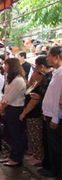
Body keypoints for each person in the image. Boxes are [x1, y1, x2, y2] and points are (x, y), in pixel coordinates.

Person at [0, 58, 26, 167]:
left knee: (16, 135)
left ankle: (16, 158)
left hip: (15, 109)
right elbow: (5, 94)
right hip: (9, 108)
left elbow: (10, 97)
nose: (4, 67)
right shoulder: (11, 79)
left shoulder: (19, 80)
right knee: (12, 134)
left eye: (6, 65)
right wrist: (2, 104)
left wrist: (2, 106)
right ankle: (12, 156)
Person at [40, 46, 61, 179]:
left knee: (57, 146)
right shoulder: (56, 73)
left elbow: (58, 98)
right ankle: (54, 169)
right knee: (51, 145)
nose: (47, 59)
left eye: (49, 56)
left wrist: (55, 118)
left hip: (54, 116)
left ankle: (59, 172)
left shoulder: (61, 75)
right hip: (49, 114)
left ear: (57, 57)